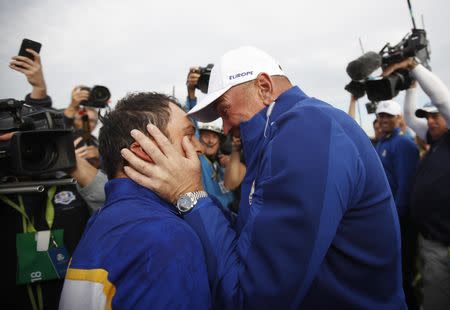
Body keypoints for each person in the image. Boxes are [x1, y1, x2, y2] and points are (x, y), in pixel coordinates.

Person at [122, 46, 407, 309]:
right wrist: (196, 199)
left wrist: (189, 195)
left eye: (224, 110)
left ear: (264, 87)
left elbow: (254, 298)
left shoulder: (306, 131)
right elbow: (254, 234)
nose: (225, 125)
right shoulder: (281, 136)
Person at [59, 92, 211, 309]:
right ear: (145, 151)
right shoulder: (165, 236)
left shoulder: (101, 219)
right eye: (188, 136)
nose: (199, 148)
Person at [2, 49, 90, 310]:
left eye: (30, 142)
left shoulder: (69, 189)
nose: (27, 149)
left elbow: (108, 200)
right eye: (13, 143)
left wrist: (75, 165)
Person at [388, 57, 450, 310]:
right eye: (428, 117)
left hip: (443, 244)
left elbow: (443, 100)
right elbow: (412, 119)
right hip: (426, 240)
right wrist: (411, 87)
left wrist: (415, 67)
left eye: (437, 117)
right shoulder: (435, 142)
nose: (431, 121)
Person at [374, 100, 420, 309]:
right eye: (381, 116)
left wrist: (394, 222)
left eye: (388, 116)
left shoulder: (403, 144)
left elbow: (406, 186)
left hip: (399, 223)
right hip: (386, 221)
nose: (384, 120)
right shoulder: (383, 142)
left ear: (399, 118)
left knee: (402, 276)